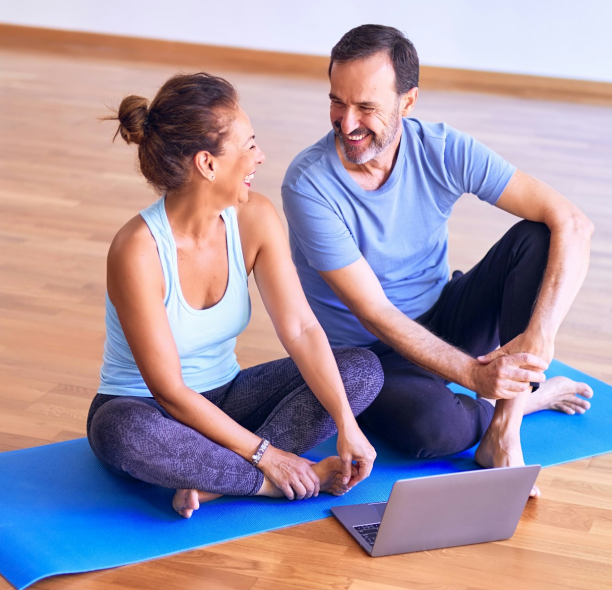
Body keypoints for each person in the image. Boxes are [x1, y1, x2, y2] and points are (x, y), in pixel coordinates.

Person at [281, 24, 594, 497]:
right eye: (336, 102)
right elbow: (376, 313)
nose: (347, 123)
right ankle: (529, 400)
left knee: (538, 236)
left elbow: (573, 222)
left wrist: (540, 337)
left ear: (407, 103)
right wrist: (474, 375)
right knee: (434, 431)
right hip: (371, 357)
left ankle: (504, 432)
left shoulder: (443, 148)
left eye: (366, 107)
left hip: (445, 316)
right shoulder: (308, 185)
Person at [87, 72, 384, 519]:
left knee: (361, 371)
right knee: (122, 433)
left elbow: (301, 329)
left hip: (228, 397)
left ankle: (212, 483)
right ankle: (266, 483)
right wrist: (269, 457)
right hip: (148, 409)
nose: (260, 156)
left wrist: (346, 423)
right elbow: (168, 392)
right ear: (207, 164)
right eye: (248, 146)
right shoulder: (138, 249)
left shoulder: (256, 219)